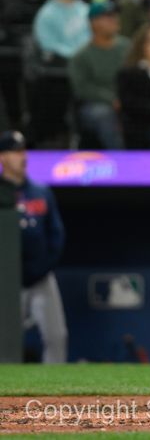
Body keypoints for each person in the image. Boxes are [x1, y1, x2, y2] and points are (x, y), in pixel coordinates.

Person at [0, 131, 67, 363]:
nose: (22, 156)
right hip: (7, 281)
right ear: (3, 157)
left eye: (23, 151)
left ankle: (56, 393)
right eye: (15, 151)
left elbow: (56, 235)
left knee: (57, 337)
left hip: (41, 277)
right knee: (6, 341)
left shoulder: (41, 191)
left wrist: (43, 267)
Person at [67, 0, 129, 149]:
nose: (114, 20)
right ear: (93, 23)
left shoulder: (127, 47)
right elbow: (82, 88)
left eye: (115, 16)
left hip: (128, 100)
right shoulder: (81, 56)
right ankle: (121, 161)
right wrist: (111, 99)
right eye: (108, 17)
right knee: (103, 114)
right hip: (97, 104)